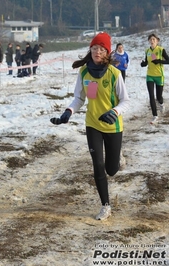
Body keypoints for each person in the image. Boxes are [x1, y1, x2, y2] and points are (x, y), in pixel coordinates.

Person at [50, 32, 130, 221]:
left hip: (112, 126)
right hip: (93, 124)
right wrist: (68, 112)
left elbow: (125, 101)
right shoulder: (84, 72)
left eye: (101, 49)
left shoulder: (114, 73)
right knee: (98, 165)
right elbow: (79, 98)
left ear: (107, 52)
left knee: (111, 169)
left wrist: (114, 112)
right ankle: (105, 205)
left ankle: (117, 155)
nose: (97, 52)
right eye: (94, 48)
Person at [140, 33, 168, 124]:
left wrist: (159, 61)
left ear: (157, 41)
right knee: (151, 96)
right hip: (150, 76)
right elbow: (147, 62)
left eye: (153, 39)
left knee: (158, 97)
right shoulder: (147, 51)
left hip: (159, 76)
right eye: (150, 39)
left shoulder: (161, 50)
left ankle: (161, 103)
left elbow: (168, 60)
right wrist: (143, 64)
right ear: (148, 41)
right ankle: (155, 116)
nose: (152, 41)